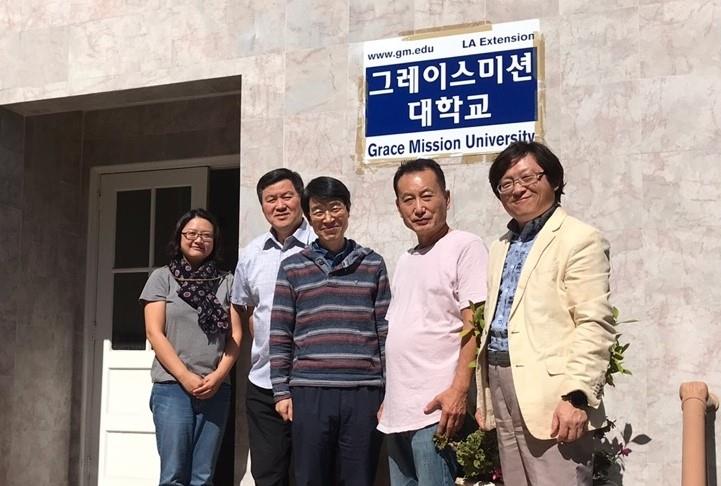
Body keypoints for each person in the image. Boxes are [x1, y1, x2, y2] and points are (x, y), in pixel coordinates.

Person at [475, 141, 616, 485]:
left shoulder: (579, 239)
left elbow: (594, 323)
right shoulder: (500, 246)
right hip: (502, 381)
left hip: (553, 393)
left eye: (528, 177)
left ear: (553, 180)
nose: (517, 189)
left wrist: (577, 397)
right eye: (506, 183)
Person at [270, 176, 391, 486]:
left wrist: (388, 390)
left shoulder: (372, 264)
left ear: (348, 210)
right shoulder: (293, 267)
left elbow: (384, 330)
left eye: (335, 208)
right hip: (309, 391)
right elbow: (281, 332)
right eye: (318, 211)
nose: (328, 218)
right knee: (310, 478)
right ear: (309, 217)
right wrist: (281, 391)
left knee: (359, 478)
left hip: (363, 392)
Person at [378, 159, 488, 486]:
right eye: (408, 199)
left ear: (447, 198)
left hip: (437, 411)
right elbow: (402, 330)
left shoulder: (465, 246)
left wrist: (458, 391)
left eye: (427, 196)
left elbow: (474, 324)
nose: (419, 208)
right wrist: (389, 399)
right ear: (398, 207)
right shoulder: (405, 259)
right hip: (398, 414)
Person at [142, 208, 242, 486]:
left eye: (206, 235)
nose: (199, 240)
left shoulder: (227, 281)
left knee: (203, 475)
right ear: (180, 237)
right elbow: (154, 333)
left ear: (215, 241)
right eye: (192, 233)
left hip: (215, 388)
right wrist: (185, 376)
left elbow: (235, 336)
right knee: (173, 475)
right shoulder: (162, 278)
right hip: (172, 387)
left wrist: (219, 376)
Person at [231, 168, 314, 486]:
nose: (279, 205)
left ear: (300, 198)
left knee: (310, 474)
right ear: (263, 205)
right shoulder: (251, 254)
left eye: (287, 196)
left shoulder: (321, 245)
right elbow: (248, 308)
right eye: (271, 199)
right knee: (268, 474)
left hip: (312, 383)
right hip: (263, 382)